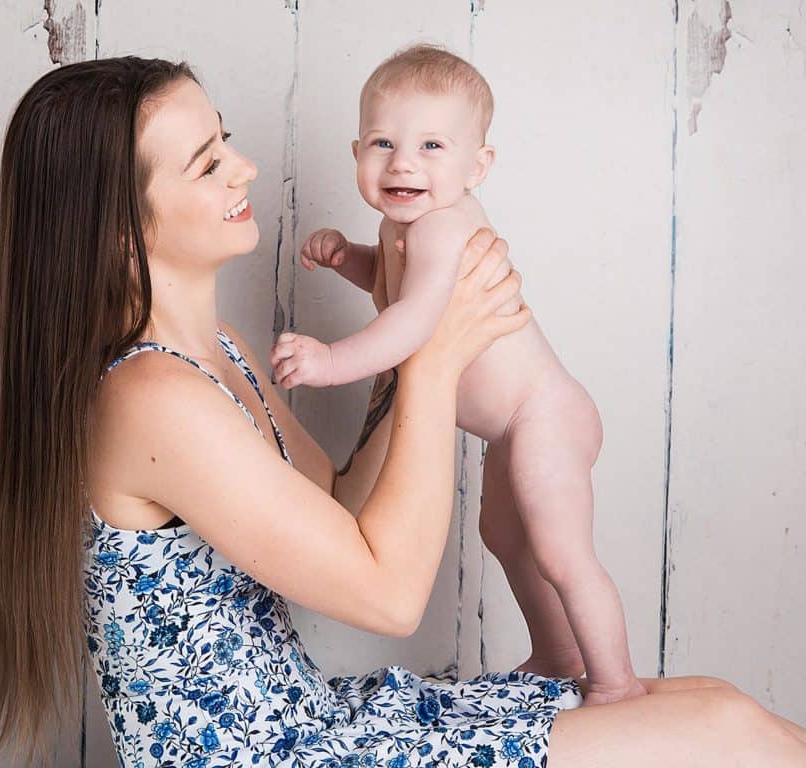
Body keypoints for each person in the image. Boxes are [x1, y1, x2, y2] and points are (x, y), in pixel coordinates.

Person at [0, 55, 806, 767]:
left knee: (716, 703)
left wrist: (410, 329)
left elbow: (338, 505)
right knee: (724, 732)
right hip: (274, 754)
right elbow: (388, 595)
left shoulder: (218, 350)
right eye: (205, 164)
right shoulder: (148, 396)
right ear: (117, 227)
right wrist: (436, 355)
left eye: (224, 138)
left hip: (310, 724)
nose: (245, 168)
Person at [272, 43, 640, 707]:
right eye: (382, 142)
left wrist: (331, 360)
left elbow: (415, 321)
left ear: (478, 167)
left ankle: (617, 684)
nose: (403, 161)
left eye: (432, 146)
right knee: (502, 535)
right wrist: (350, 259)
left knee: (560, 553)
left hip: (543, 414)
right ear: (357, 151)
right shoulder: (402, 225)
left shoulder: (443, 229)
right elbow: (397, 289)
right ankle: (558, 654)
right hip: (513, 423)